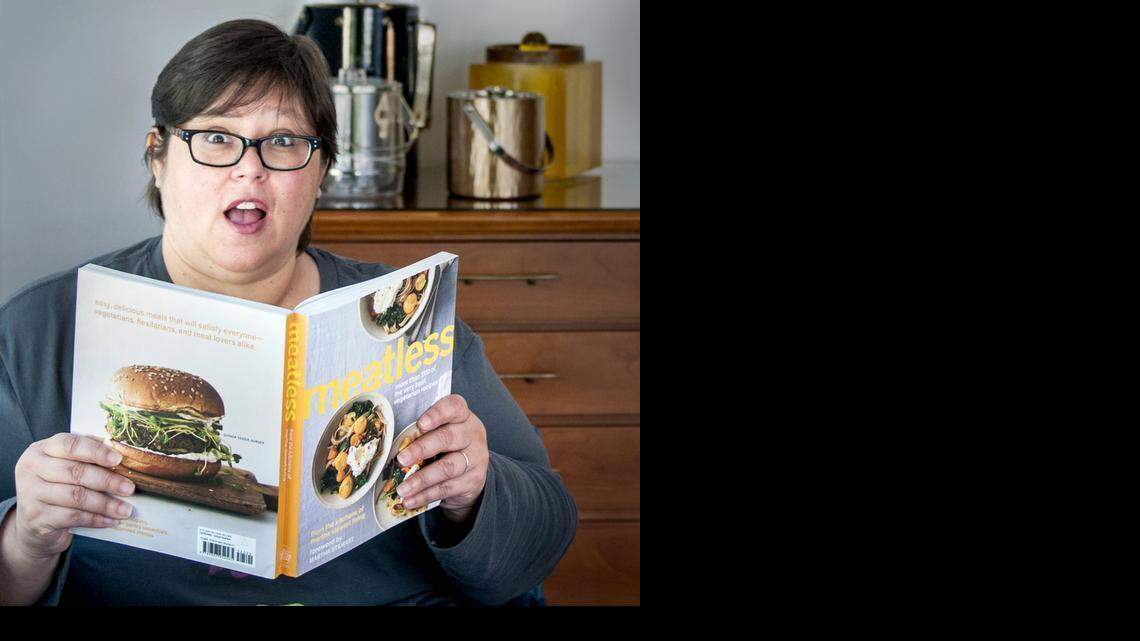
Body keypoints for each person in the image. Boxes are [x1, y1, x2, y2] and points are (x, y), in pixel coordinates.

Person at [0, 19, 577, 606]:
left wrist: (474, 492)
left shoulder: (410, 317)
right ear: (159, 157)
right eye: (216, 137)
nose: (249, 169)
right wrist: (26, 536)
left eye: (282, 142)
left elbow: (543, 536)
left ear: (321, 171)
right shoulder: (39, 329)